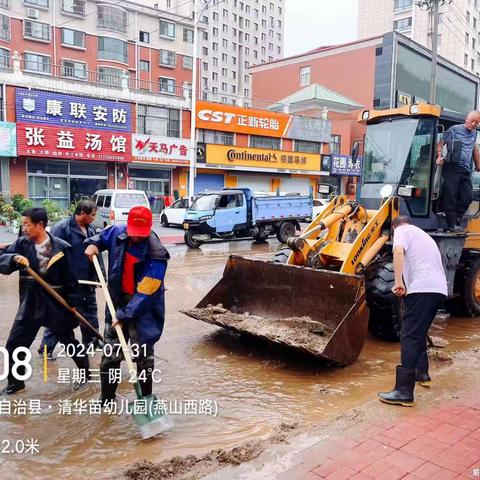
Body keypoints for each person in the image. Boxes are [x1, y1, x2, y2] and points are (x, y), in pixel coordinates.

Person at [84, 206, 169, 404]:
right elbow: (99, 238)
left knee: (143, 357)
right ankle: (106, 399)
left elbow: (146, 294)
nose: (136, 237)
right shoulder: (117, 233)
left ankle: (146, 400)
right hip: (117, 301)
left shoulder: (157, 254)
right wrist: (92, 244)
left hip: (143, 309)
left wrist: (124, 315)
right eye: (133, 233)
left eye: (141, 234)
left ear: (149, 228)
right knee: (111, 355)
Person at [0, 208, 89, 395]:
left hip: (56, 303)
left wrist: (73, 303)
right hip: (30, 303)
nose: (23, 228)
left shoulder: (61, 248)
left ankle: (86, 374)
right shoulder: (22, 244)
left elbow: (72, 279)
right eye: (23, 224)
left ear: (40, 225)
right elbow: (1, 260)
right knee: (14, 344)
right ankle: (16, 383)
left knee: (69, 342)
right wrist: (13, 258)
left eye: (27, 224)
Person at [378, 216, 447, 407]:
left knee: (408, 335)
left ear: (394, 228)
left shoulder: (401, 231)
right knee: (418, 333)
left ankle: (403, 392)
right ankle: (421, 374)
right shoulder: (422, 235)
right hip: (437, 289)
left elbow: (398, 252)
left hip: (422, 288)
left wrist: (398, 282)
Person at [39, 200, 104, 359]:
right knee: (60, 316)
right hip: (68, 283)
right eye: (93, 215)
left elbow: (97, 253)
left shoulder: (90, 229)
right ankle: (46, 349)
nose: (94, 218)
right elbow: (50, 255)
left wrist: (99, 275)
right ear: (82, 213)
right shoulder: (61, 229)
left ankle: (91, 342)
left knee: (90, 314)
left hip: (87, 281)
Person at [436, 111, 480, 232]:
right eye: (472, 121)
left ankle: (457, 219)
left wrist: (478, 165)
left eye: (477, 122)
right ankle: (452, 225)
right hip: (452, 168)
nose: (474, 124)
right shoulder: (454, 130)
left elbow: (474, 149)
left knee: (468, 196)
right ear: (466, 119)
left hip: (465, 169)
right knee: (451, 197)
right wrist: (439, 156)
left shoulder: (474, 133)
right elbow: (440, 144)